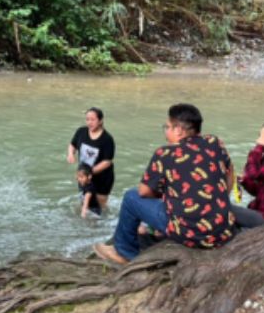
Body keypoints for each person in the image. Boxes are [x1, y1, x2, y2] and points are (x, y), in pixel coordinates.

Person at [94, 104, 236, 264]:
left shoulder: (165, 153)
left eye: (167, 127)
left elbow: (144, 192)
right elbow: (229, 172)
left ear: (179, 130)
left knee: (131, 197)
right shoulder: (214, 142)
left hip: (191, 234)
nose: (165, 132)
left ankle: (124, 253)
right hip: (223, 231)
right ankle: (152, 232)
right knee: (173, 193)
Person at [67, 108, 115, 212]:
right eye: (87, 119)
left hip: (102, 178)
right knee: (84, 202)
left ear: (100, 121)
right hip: (84, 176)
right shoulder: (81, 132)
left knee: (99, 207)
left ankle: (100, 225)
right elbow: (72, 144)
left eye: (93, 119)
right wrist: (71, 154)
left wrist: (89, 172)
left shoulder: (107, 139)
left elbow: (107, 162)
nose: (89, 122)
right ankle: (84, 225)